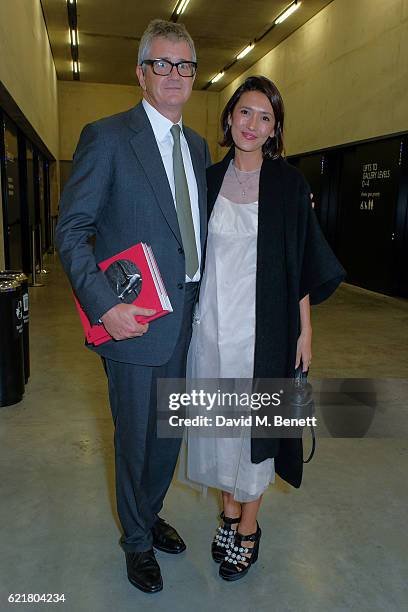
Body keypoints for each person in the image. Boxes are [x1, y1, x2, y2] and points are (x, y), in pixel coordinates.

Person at [56, 19, 210, 594]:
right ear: (141, 72)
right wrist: (103, 308)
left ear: (194, 76)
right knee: (136, 436)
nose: (175, 75)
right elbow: (71, 231)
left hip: (189, 315)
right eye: (163, 64)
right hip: (134, 319)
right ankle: (136, 542)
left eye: (185, 66)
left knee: (171, 433)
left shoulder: (196, 146)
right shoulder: (108, 136)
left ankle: (150, 513)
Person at [186, 76, 345, 581]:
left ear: (275, 130)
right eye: (245, 113)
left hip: (266, 334)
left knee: (255, 435)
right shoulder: (207, 180)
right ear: (229, 117)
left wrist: (306, 330)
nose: (252, 125)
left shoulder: (288, 184)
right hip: (210, 330)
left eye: (265, 117)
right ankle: (228, 516)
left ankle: (249, 529)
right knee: (219, 431)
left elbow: (299, 265)